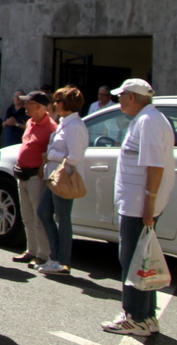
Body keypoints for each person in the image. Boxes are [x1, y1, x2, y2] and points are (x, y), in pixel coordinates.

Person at [101, 79, 176, 337]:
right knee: (140, 259)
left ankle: (136, 317)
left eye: (121, 96)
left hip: (138, 206)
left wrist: (148, 205)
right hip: (136, 204)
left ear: (132, 97)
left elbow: (155, 166)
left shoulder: (149, 122)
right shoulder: (147, 119)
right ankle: (146, 317)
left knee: (133, 260)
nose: (118, 100)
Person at [37, 86, 89, 276]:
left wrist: (50, 154)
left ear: (66, 104)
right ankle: (56, 256)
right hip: (55, 176)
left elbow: (74, 156)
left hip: (64, 177)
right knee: (44, 212)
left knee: (62, 218)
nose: (55, 105)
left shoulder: (75, 127)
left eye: (58, 101)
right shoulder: (65, 123)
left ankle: (62, 260)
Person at [11, 90, 56, 266]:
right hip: (23, 173)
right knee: (27, 215)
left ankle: (43, 253)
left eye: (28, 103)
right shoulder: (30, 122)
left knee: (39, 216)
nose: (25, 106)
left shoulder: (51, 127)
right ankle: (31, 250)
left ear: (39, 106)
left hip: (36, 176)